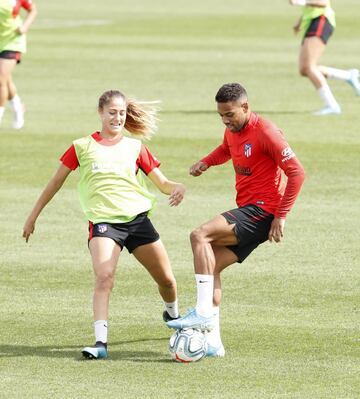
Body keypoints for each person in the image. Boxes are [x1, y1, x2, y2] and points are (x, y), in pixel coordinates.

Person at [23, 89, 185, 359]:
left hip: (137, 222)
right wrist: (33, 216)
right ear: (100, 113)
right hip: (104, 224)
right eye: (112, 112)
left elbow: (163, 182)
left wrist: (176, 187)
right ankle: (100, 343)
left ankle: (174, 315)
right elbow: (55, 182)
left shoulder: (135, 147)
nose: (118, 117)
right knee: (104, 276)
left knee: (167, 280)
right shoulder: (81, 146)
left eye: (121, 113)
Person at [167, 83, 305, 357]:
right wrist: (205, 162)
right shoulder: (233, 130)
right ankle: (214, 343)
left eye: (229, 114)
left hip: (262, 211)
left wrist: (281, 215)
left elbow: (297, 173)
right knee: (211, 266)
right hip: (251, 210)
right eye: (221, 115)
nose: (225, 120)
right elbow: (225, 149)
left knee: (199, 235)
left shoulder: (267, 132)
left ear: (245, 107)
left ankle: (203, 313)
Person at [288, 0, 360, 115]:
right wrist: (300, 21)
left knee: (309, 67)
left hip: (321, 20)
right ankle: (348, 75)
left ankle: (332, 106)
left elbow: (323, 2)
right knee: (304, 69)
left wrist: (299, 2)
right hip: (313, 22)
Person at [0, 0, 37, 129]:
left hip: (12, 40)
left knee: (1, 78)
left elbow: (32, 9)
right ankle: (18, 107)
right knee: (6, 79)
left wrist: (24, 27)